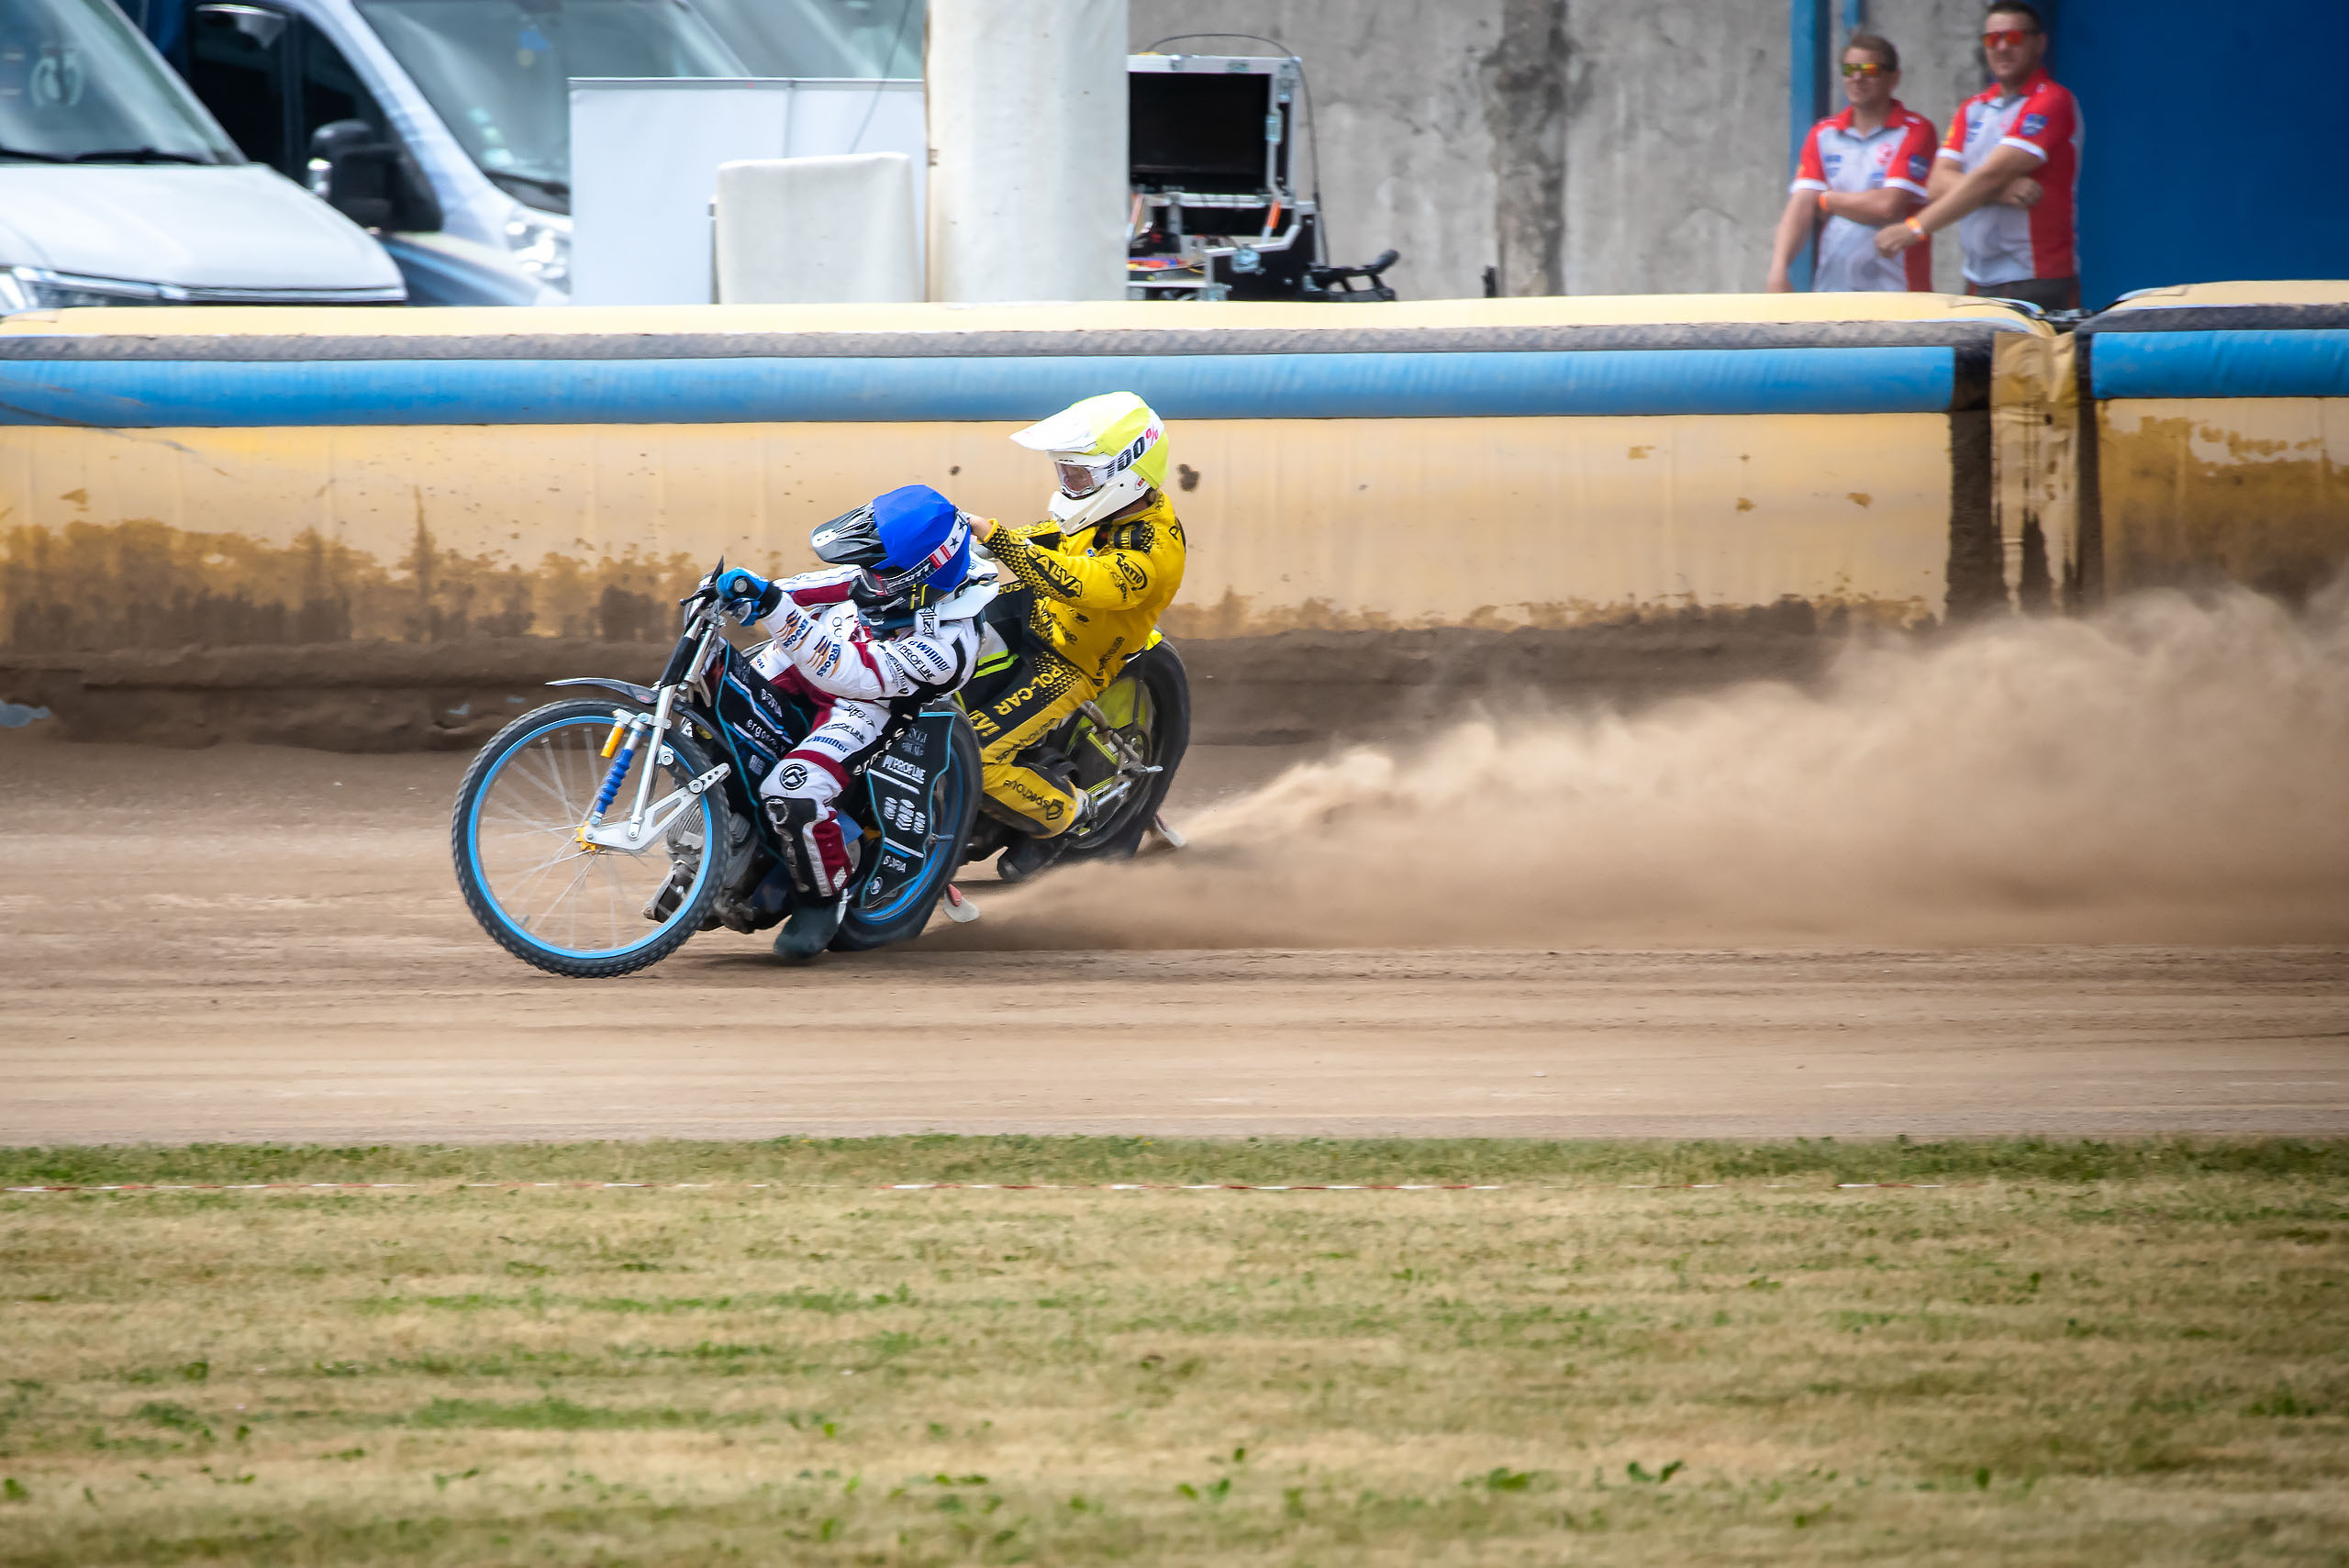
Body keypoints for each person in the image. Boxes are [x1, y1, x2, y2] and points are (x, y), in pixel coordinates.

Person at [706, 484, 996, 959]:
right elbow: (813, 589)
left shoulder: (948, 645)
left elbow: (844, 672)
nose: (867, 578)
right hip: (805, 663)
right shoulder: (894, 575)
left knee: (792, 791)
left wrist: (775, 609)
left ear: (917, 576)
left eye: (878, 572)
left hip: (865, 705)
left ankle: (823, 897)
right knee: (716, 702)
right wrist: (748, 594)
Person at [963, 392, 1187, 883]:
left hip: (1071, 661)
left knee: (974, 755)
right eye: (1066, 472)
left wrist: (999, 538)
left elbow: (1079, 581)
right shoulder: (1103, 511)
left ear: (1127, 472)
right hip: (1034, 611)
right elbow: (1054, 535)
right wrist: (959, 541)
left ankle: (1069, 814)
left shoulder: (1156, 551)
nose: (1069, 484)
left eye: (1079, 476)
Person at [1876, 1, 2081, 311]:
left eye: (2012, 37)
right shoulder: (1972, 108)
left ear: (2039, 43)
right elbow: (1935, 183)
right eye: (1991, 39)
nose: (2000, 47)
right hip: (1978, 276)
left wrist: (1914, 228)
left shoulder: (2052, 100)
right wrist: (2000, 192)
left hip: (2037, 277)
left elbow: (1990, 174)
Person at [1767, 34, 1939, 293]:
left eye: (1869, 70)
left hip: (1899, 293)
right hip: (1833, 291)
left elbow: (1887, 206)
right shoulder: (1823, 133)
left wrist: (1827, 200)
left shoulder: (1916, 130)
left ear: (1894, 78)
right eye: (1849, 70)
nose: (1857, 78)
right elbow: (1801, 204)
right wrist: (1778, 270)